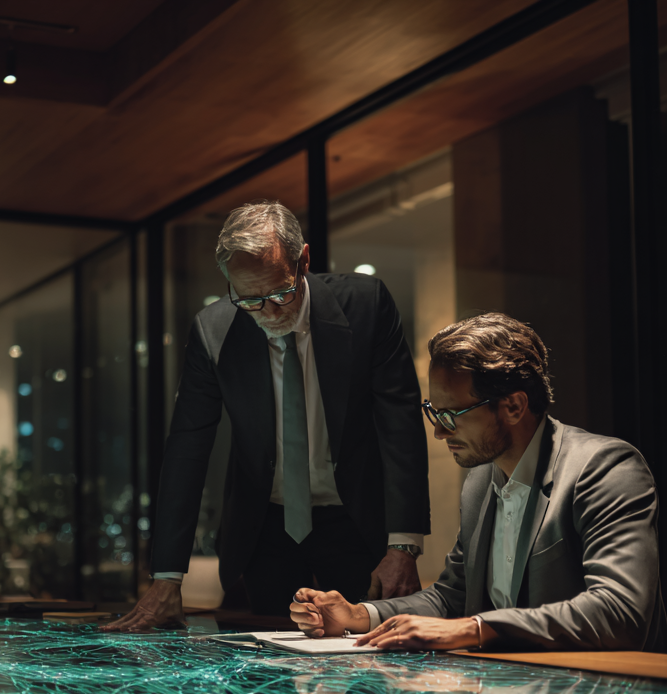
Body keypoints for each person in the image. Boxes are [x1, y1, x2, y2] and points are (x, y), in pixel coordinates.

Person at [108, 200, 430, 629]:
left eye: (280, 293)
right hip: (265, 525)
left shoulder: (366, 305)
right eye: (249, 299)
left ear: (304, 261)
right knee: (262, 660)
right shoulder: (213, 330)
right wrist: (167, 576)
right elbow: (187, 448)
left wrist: (403, 545)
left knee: (368, 656)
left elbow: (400, 424)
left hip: (355, 518)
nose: (270, 312)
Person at [290, 312, 667, 653]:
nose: (439, 431)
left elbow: (621, 611)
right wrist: (360, 615)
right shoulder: (479, 483)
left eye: (451, 415)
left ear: (514, 406)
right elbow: (451, 598)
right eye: (433, 412)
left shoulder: (605, 469)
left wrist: (472, 630)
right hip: (524, 691)